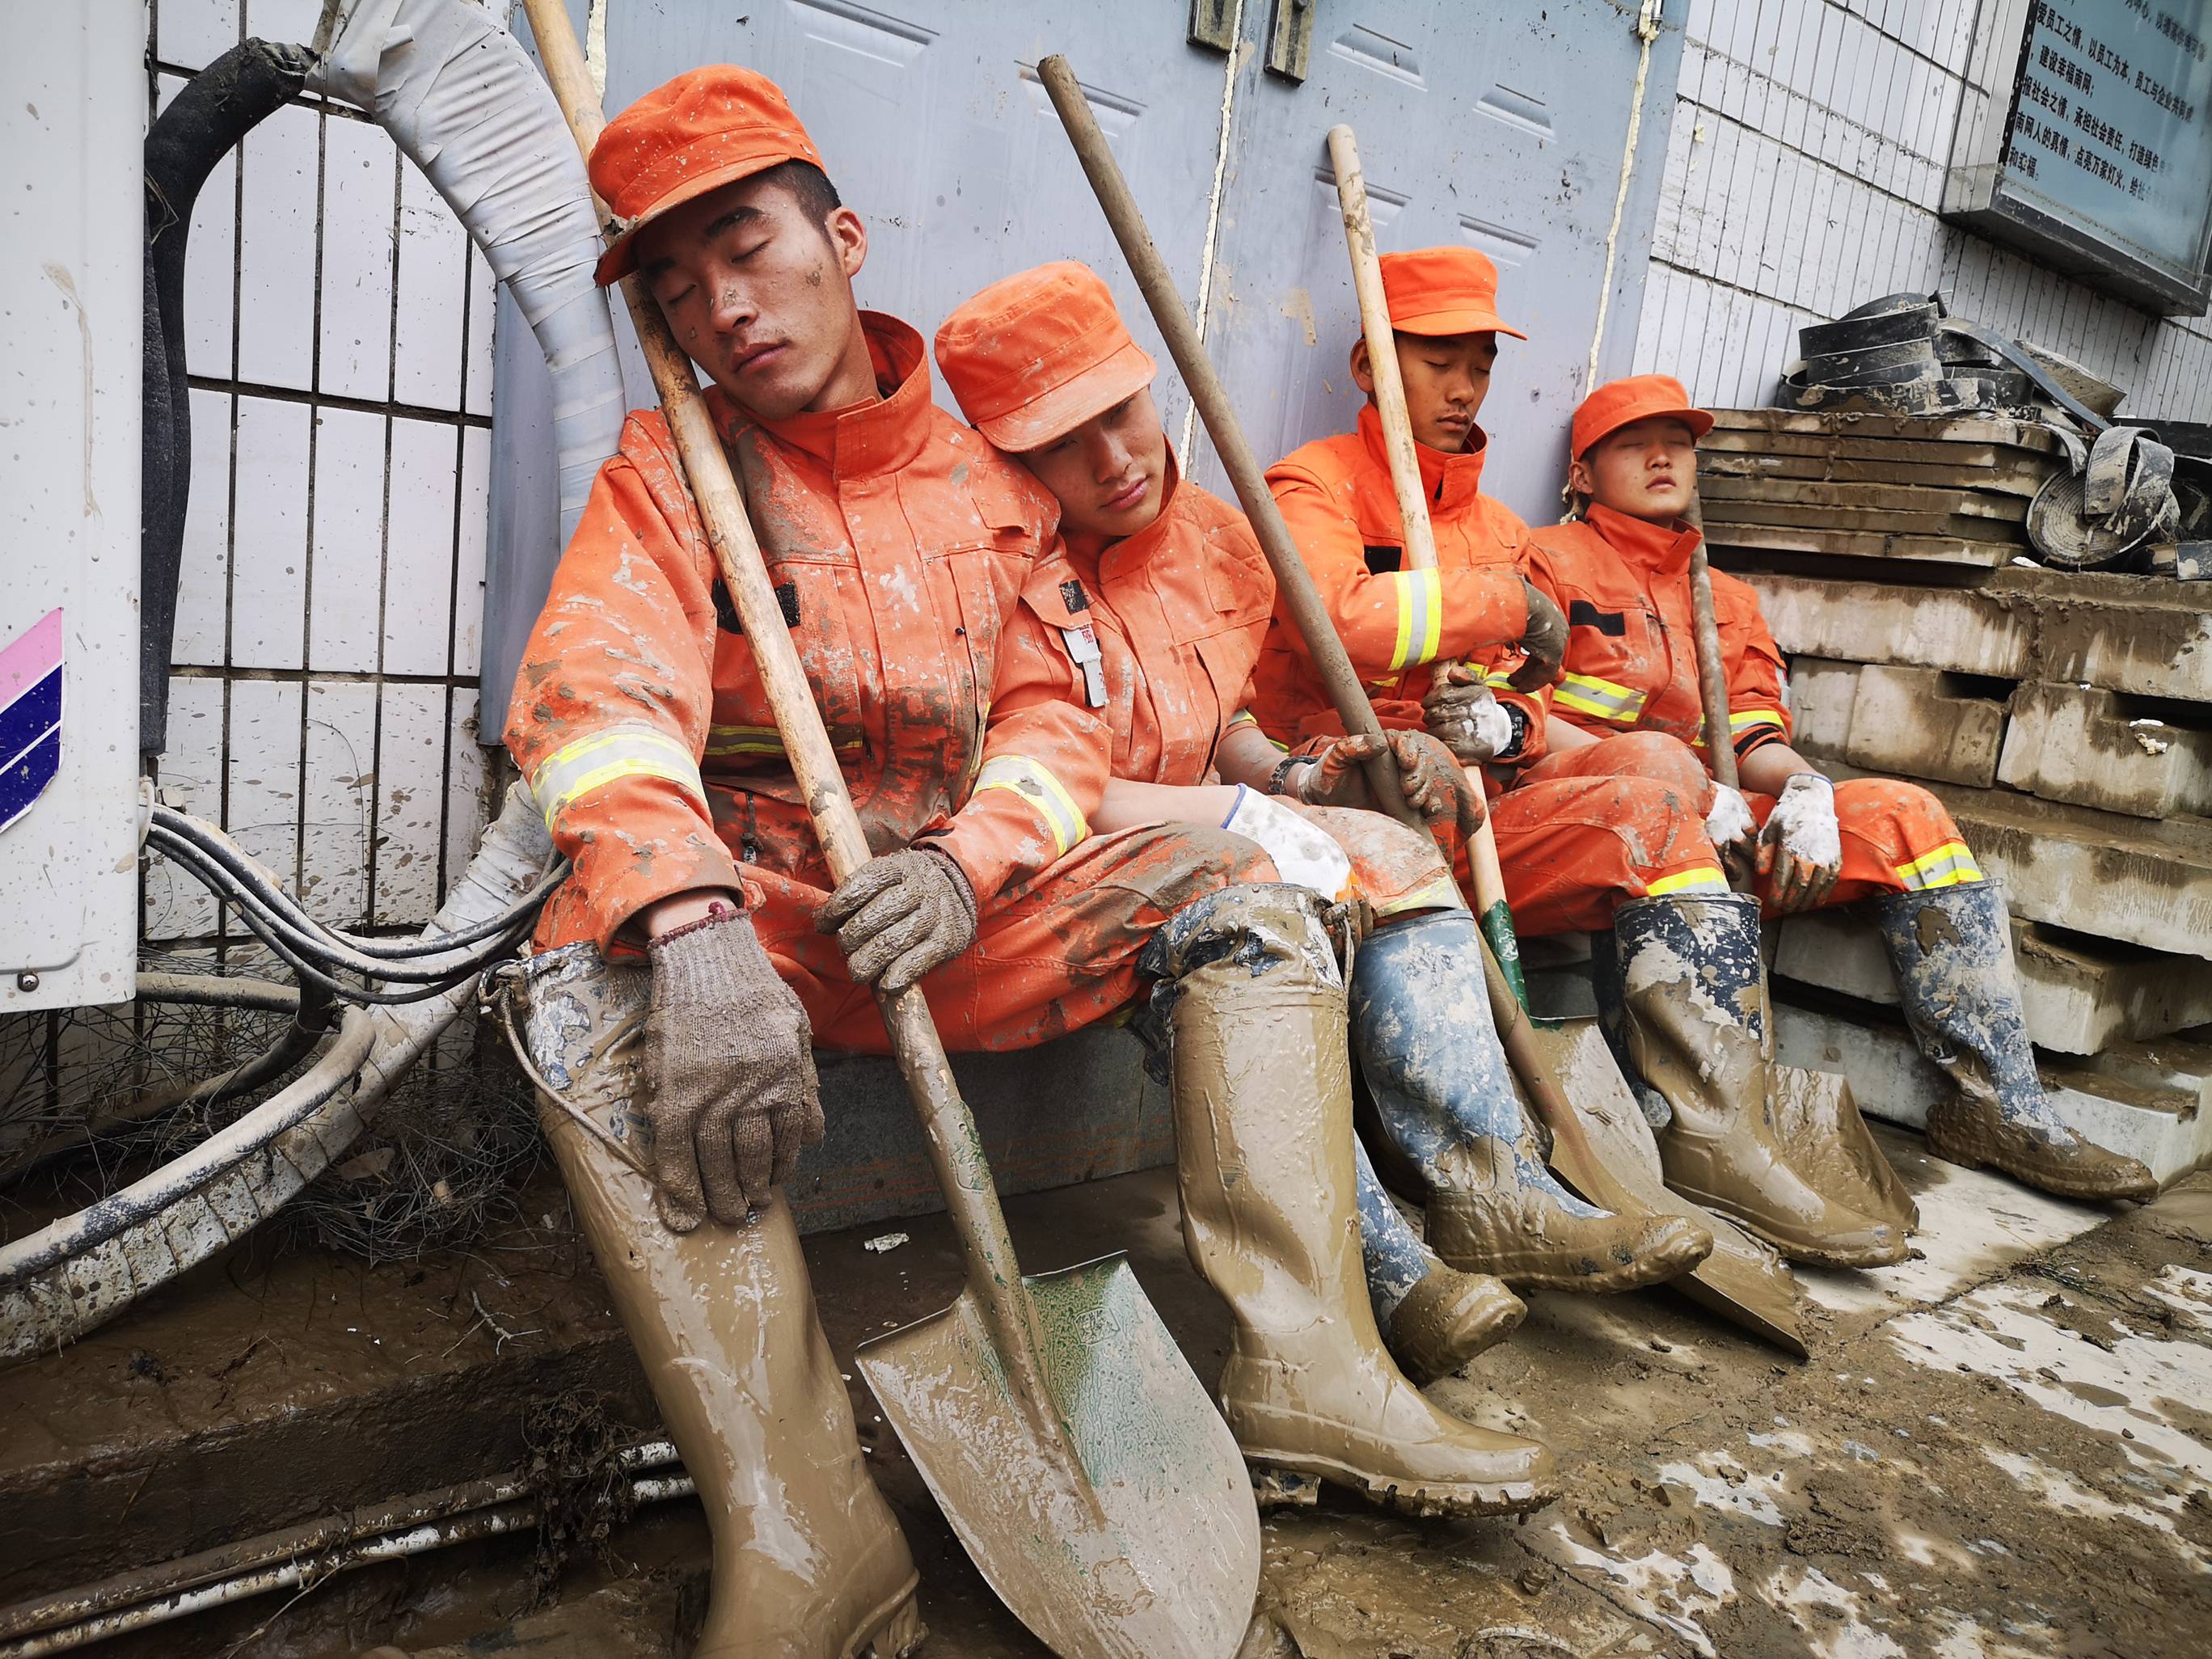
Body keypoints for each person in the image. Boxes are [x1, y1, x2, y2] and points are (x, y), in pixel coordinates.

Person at [504, 74, 1547, 1653]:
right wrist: (697, 921)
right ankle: (806, 1537)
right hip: (772, 923)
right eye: (675, 285)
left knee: (1245, 888)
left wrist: (976, 858)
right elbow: (594, 697)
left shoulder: (996, 491)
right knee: (574, 983)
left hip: (962, 913)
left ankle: (1310, 1368)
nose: (722, 306)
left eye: (747, 246)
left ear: (842, 238)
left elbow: (1061, 718)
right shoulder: (672, 474)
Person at [938, 261, 1709, 1339]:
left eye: (1120, 414)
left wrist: (1314, 778)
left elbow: (1230, 730)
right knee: (1258, 894)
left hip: (1196, 836)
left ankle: (1489, 1187)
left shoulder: (1214, 535)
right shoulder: (995, 571)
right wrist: (1249, 825)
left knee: (1392, 853)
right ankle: (1376, 1267)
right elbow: (1040, 784)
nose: (1113, 462)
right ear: (1008, 457)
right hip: (1060, 862)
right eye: (1062, 445)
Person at [1520, 374, 2156, 1210]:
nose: (1662, 455)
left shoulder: (1726, 599)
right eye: (1633, 442)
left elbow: (1753, 736)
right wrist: (1669, 780)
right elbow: (1517, 717)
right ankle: (1698, 1123)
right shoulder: (1545, 560)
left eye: (1678, 441)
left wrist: (1807, 795)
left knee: (1906, 814)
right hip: (1587, 810)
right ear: (1582, 473)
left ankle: (2000, 1107)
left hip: (1710, 826)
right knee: (1663, 783)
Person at [1251, 248, 1744, 1277]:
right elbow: (1339, 622)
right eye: (1438, 363)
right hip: (1348, 790)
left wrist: (1502, 727)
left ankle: (1714, 1125)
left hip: (1473, 814)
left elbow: (1526, 684)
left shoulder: (1500, 528)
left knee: (1659, 779)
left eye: (1479, 364)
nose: (1466, 389)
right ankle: (1484, 1177)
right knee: (1422, 779)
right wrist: (1500, 605)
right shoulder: (1315, 484)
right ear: (1370, 367)